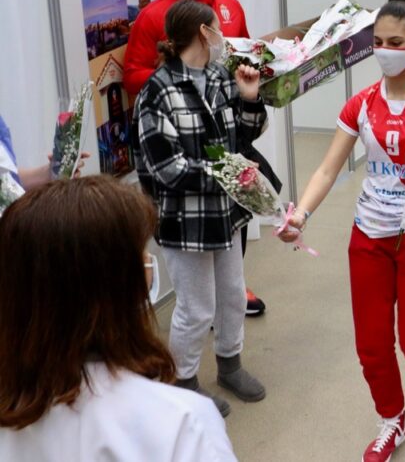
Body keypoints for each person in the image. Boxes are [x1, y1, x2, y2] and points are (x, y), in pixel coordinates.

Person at [284, 0, 405, 462]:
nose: (385, 52)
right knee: (371, 345)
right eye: (379, 44)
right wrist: (300, 215)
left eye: (396, 43)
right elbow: (329, 169)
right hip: (369, 237)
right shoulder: (362, 103)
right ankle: (393, 419)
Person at [0, 176, 237, 461]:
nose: (148, 264)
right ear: (115, 283)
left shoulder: (15, 408)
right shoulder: (181, 423)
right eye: (142, 256)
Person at [124, 0, 270, 317]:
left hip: (228, 122)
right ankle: (203, 306)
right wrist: (176, 74)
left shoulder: (230, 6)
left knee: (234, 212)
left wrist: (251, 81)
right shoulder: (153, 15)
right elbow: (132, 75)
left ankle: (233, 290)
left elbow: (247, 52)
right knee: (196, 249)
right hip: (184, 135)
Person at [135, 0, 267, 419]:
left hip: (224, 215)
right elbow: (167, 169)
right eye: (217, 28)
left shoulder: (217, 75)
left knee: (231, 295)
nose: (222, 35)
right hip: (183, 220)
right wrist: (230, 174)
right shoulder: (157, 92)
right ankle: (184, 381)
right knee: (196, 308)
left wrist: (249, 99)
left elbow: (245, 138)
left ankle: (230, 364)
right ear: (202, 34)